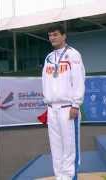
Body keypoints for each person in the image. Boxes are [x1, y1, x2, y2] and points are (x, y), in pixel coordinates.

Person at [42, 25, 85, 180]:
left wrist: (76, 104)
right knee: (56, 147)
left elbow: (79, 80)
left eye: (55, 34)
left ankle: (69, 177)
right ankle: (59, 176)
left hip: (68, 108)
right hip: (52, 108)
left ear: (64, 36)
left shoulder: (73, 55)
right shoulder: (48, 58)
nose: (52, 37)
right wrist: (47, 102)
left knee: (69, 147)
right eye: (50, 35)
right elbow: (45, 82)